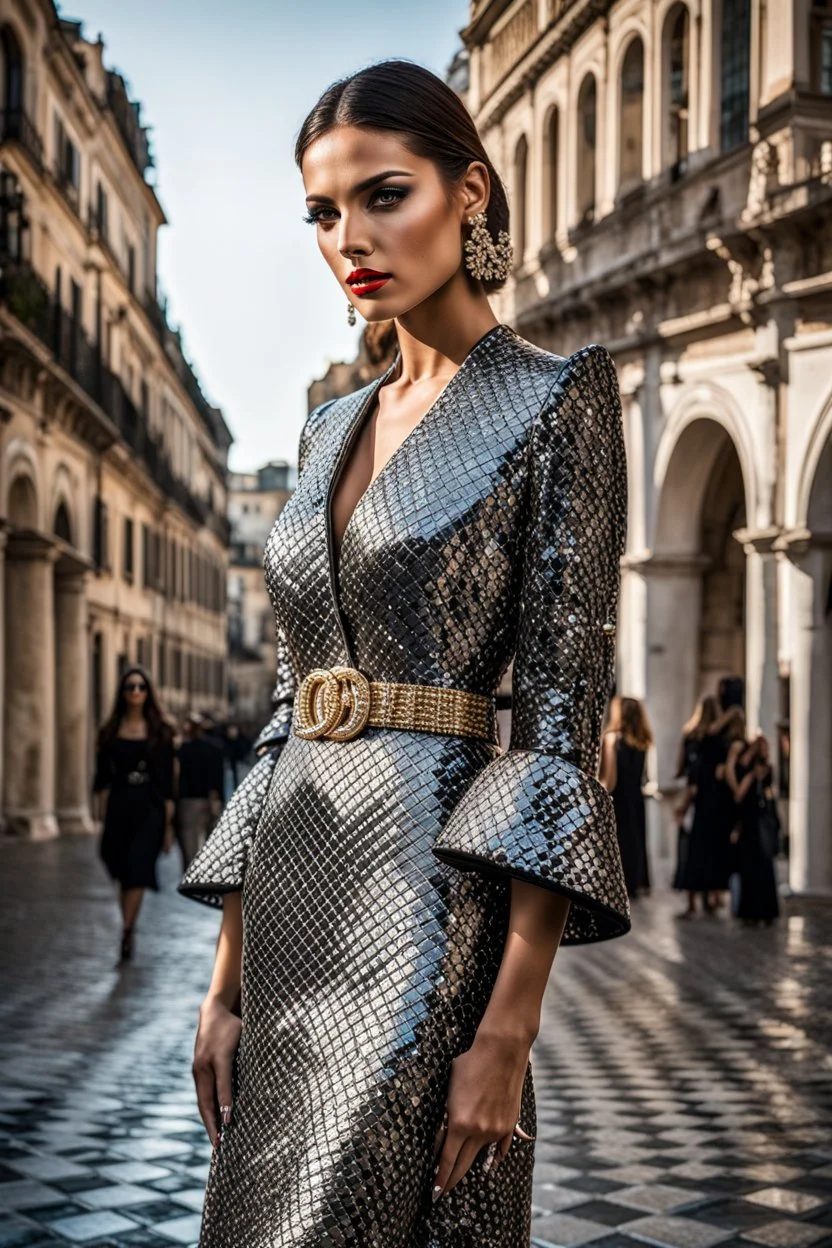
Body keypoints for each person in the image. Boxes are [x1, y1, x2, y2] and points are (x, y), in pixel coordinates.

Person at [178, 60, 630, 1247]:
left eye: (385, 195)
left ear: (468, 192)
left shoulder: (556, 396)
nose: (350, 240)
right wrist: (224, 988)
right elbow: (288, 706)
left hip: (430, 896)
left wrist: (510, 1029)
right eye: (323, 213)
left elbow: (559, 719)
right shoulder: (330, 423)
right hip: (289, 898)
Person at [93, 665, 175, 962]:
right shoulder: (110, 731)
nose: (136, 692)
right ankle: (128, 923)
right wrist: (101, 818)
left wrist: (168, 828)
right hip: (119, 805)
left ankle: (127, 930)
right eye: (130, 687)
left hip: (149, 808)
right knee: (119, 868)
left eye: (141, 687)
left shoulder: (161, 731)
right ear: (123, 693)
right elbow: (101, 780)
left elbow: (167, 784)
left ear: (148, 692)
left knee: (138, 870)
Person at [599, 697, 653, 899]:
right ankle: (636, 882)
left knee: (619, 842)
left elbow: (610, 780)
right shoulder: (642, 741)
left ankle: (618, 884)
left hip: (619, 799)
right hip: (636, 798)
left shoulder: (613, 739)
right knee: (636, 840)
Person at [725, 730, 780, 924]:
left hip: (757, 823)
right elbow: (739, 793)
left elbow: (742, 794)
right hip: (750, 823)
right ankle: (754, 912)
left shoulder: (764, 771)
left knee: (760, 868)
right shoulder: (749, 767)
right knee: (751, 868)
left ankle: (760, 912)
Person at [673, 696, 719, 891]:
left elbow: (686, 771)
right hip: (713, 800)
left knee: (690, 850)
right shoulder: (717, 738)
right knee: (712, 850)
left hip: (695, 799)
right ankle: (713, 896)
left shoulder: (691, 735)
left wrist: (683, 805)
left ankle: (692, 899)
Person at [176, 713, 225, 871]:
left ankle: (192, 872)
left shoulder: (183, 749)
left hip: (189, 800)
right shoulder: (214, 748)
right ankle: (207, 871)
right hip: (209, 799)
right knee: (210, 839)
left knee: (190, 840)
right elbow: (218, 778)